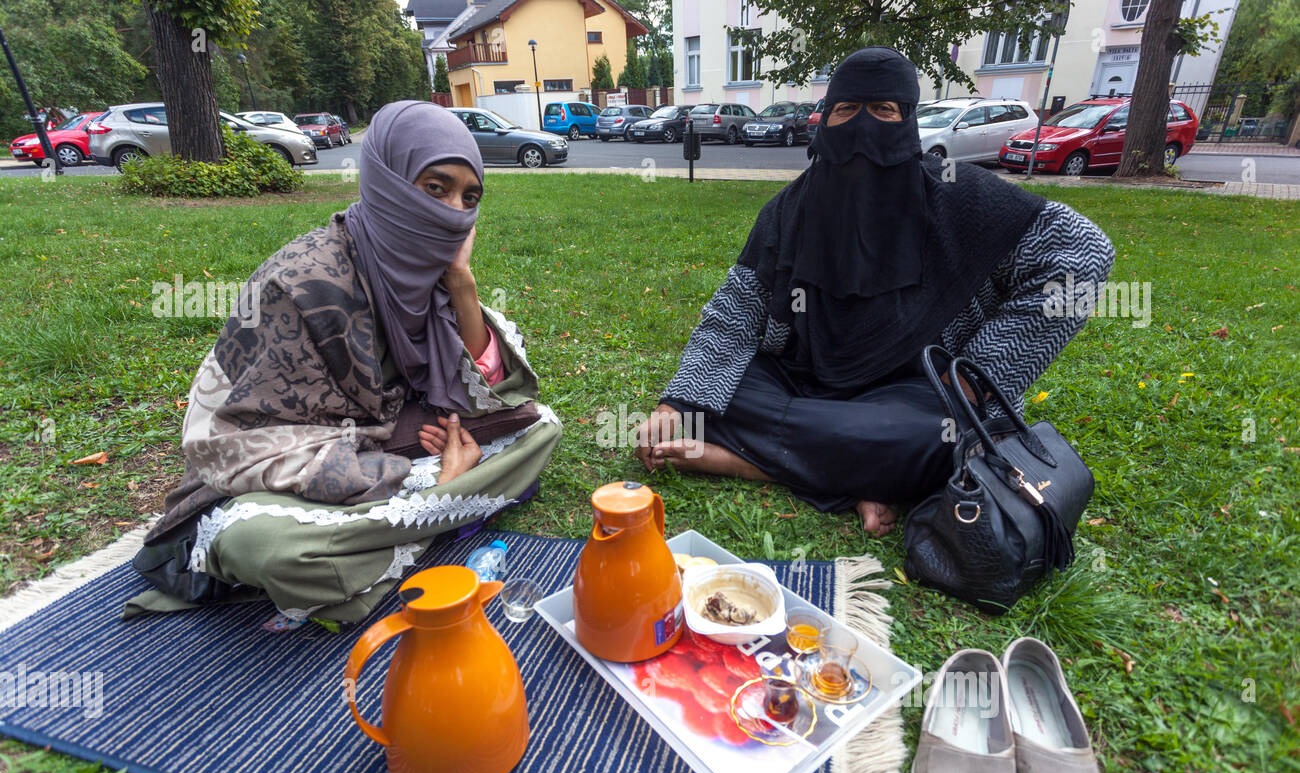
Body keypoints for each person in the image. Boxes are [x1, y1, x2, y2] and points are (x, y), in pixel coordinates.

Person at [635, 47, 1114, 536]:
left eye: (883, 111)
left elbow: (1085, 251)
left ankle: (743, 460)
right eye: (846, 110)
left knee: (937, 436)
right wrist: (676, 404)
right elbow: (736, 311)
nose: (863, 128)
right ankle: (861, 475)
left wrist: (979, 376)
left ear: (907, 122)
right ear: (826, 120)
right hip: (801, 378)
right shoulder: (789, 209)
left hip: (911, 393)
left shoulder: (957, 193)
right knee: (719, 397)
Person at [124, 101, 562, 626]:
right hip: (283, 471)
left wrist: (462, 285)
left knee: (542, 428)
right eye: (435, 189)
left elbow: (492, 393)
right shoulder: (300, 282)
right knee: (265, 548)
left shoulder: (430, 273)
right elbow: (233, 441)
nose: (452, 213)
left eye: (469, 198)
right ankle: (447, 504)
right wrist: (416, 480)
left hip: (387, 439)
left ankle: (422, 515)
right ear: (386, 182)